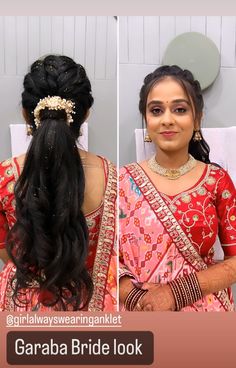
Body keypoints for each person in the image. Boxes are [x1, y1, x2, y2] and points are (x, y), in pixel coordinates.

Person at [0, 55, 117, 311]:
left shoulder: (5, 177)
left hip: (22, 306)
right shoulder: (113, 178)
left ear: (25, 114)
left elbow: (6, 251)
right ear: (85, 115)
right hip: (90, 305)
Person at [119, 65, 236, 312]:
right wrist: (135, 297)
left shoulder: (216, 180)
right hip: (139, 314)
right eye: (156, 110)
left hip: (203, 314)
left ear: (197, 119)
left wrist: (177, 292)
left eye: (180, 109)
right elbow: (103, 257)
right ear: (147, 119)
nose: (167, 119)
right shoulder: (122, 182)